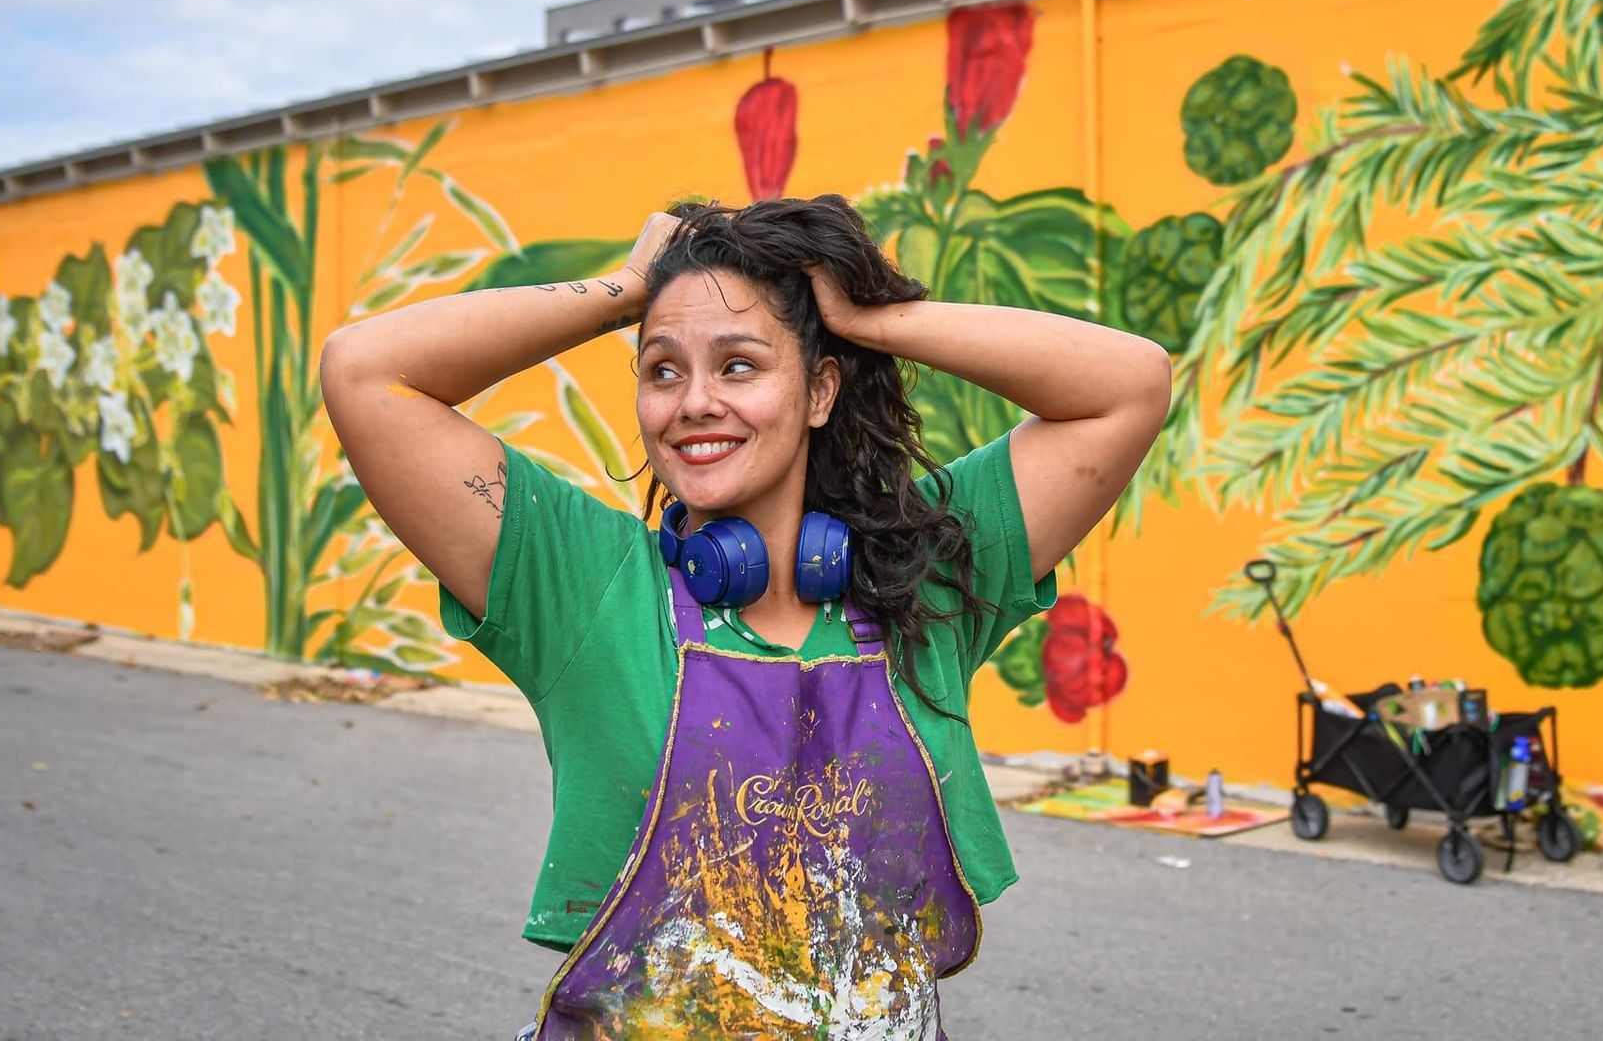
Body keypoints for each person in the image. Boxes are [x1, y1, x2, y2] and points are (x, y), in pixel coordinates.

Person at [319, 194, 1171, 1038]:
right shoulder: (583, 584)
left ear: (818, 390)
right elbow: (368, 372)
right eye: (662, 369)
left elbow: (1127, 385)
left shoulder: (927, 575)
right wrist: (624, 290)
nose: (692, 402)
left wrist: (870, 321)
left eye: (738, 365)